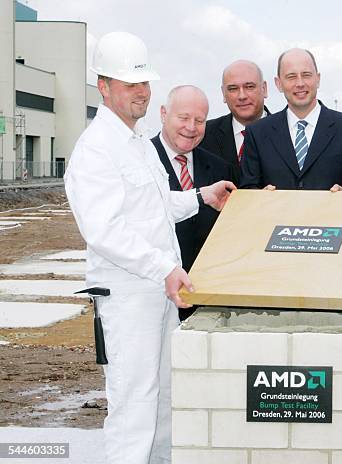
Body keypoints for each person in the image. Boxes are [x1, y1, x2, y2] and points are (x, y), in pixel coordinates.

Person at [64, 32, 235, 464]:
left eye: (144, 83)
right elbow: (105, 231)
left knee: (164, 396)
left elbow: (155, 209)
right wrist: (163, 267)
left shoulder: (137, 141)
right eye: (129, 84)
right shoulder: (96, 150)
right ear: (104, 87)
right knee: (133, 404)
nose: (140, 92)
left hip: (158, 292)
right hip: (127, 298)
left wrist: (200, 196)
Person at [240, 48, 342, 191]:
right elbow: (247, 187)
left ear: (318, 79)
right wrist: (260, 196)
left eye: (306, 75)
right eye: (291, 76)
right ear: (278, 83)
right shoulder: (257, 132)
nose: (300, 83)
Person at [152, 85, 234, 321]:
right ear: (163, 113)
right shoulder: (142, 161)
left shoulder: (220, 169)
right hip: (156, 296)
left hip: (208, 301)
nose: (191, 127)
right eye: (184, 118)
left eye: (200, 120)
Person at [199, 60, 271, 182]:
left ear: (264, 89)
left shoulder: (288, 132)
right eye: (233, 89)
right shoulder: (203, 135)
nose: (242, 96)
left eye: (249, 87)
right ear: (223, 93)